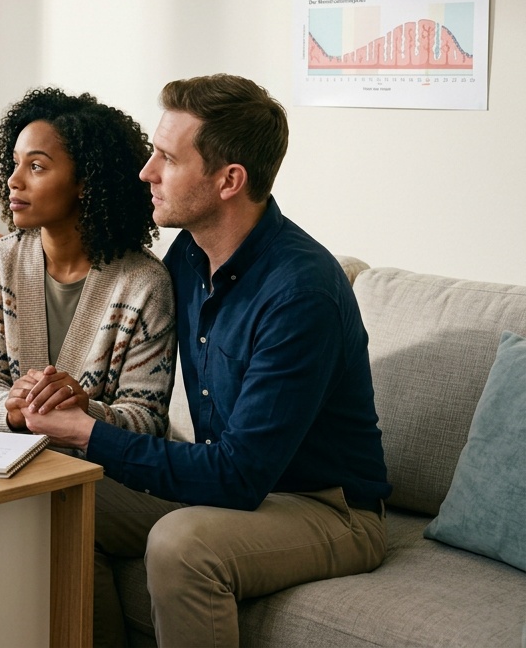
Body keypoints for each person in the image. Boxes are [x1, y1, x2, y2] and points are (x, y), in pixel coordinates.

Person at [20, 74, 390, 647]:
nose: (147, 171)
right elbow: (108, 271)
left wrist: (89, 432)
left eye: (167, 158)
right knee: (62, 497)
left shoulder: (300, 293)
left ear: (228, 181)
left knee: (180, 546)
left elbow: (238, 477)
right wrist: (2, 254)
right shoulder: (188, 255)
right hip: (235, 484)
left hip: (327, 510)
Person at [0, 87, 175, 441]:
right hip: (3, 457)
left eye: (36, 166)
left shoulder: (144, 285)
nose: (14, 180)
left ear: (85, 182)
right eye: (15, 163)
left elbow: (147, 417)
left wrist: (82, 410)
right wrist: (11, 411)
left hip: (100, 476)